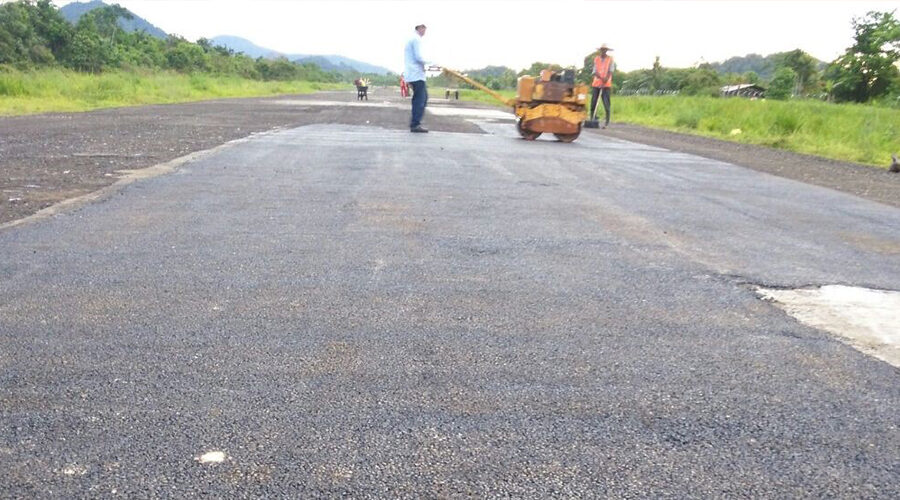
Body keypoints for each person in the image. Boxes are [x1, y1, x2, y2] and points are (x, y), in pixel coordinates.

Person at [404, 24, 429, 133]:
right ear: (418, 28)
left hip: (414, 74)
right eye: (423, 28)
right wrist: (433, 62)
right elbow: (419, 57)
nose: (424, 30)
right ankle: (415, 124)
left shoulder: (412, 39)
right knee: (421, 99)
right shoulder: (416, 39)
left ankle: (415, 122)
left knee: (421, 98)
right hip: (416, 75)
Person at [591, 43, 616, 129]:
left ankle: (607, 121)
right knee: (593, 101)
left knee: (606, 103)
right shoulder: (596, 59)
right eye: (602, 50)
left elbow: (611, 71)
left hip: (606, 85)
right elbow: (594, 71)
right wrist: (601, 77)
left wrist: (606, 79)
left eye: (605, 50)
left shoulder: (610, 59)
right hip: (596, 83)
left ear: (606, 51)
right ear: (600, 50)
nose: (603, 51)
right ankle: (592, 118)